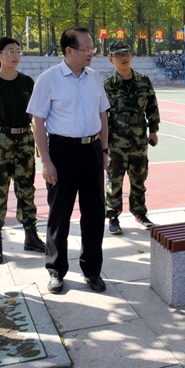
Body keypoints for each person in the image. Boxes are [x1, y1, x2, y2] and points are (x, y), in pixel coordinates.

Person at [28, 27, 110, 294]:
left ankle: (92, 270)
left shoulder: (94, 77)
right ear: (69, 51)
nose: (91, 53)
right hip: (62, 151)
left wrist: (104, 149)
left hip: (92, 150)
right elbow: (37, 121)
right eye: (87, 49)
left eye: (92, 48)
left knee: (95, 213)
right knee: (60, 213)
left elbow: (103, 114)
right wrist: (46, 161)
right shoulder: (49, 79)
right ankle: (56, 270)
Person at [0, 37, 45, 265]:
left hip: (24, 140)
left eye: (18, 51)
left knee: (26, 190)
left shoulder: (26, 82)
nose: (15, 56)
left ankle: (31, 236)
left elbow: (34, 116)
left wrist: (38, 143)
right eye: (10, 51)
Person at [104, 40, 160, 235]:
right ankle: (113, 216)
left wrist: (154, 130)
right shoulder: (107, 85)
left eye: (126, 53)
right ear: (111, 59)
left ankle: (139, 213)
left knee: (139, 178)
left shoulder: (143, 81)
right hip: (116, 140)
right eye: (119, 55)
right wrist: (104, 142)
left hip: (139, 138)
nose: (124, 57)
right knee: (115, 180)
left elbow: (152, 106)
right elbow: (102, 115)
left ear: (132, 56)